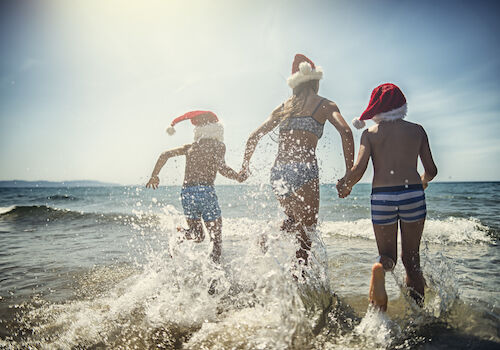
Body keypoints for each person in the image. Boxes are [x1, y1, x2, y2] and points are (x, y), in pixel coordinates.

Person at [240, 54, 354, 267]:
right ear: (315, 80)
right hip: (304, 169)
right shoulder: (324, 104)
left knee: (293, 221)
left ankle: (266, 236)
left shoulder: (285, 107)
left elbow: (253, 136)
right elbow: (346, 132)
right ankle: (299, 283)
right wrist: (350, 173)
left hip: (278, 173)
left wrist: (244, 167)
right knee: (306, 235)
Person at [337, 83, 438, 311]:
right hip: (412, 194)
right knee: (411, 260)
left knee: (387, 256)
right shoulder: (417, 130)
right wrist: (422, 181)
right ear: (402, 105)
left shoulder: (370, 134)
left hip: (382, 197)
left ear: (376, 108)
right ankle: (418, 317)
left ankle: (380, 273)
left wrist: (345, 184)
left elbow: (359, 170)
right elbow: (431, 170)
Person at [146, 111, 243, 264]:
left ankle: (178, 236)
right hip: (206, 192)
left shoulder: (189, 147)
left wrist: (155, 175)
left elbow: (164, 154)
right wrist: (238, 176)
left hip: (187, 193)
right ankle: (214, 280)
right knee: (215, 239)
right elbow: (222, 168)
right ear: (217, 129)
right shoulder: (218, 146)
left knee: (197, 235)